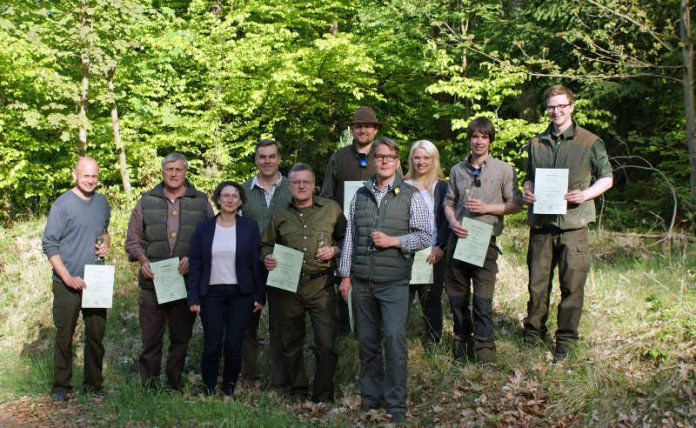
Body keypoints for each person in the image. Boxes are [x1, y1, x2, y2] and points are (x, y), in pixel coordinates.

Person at [338, 137, 431, 424]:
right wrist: (345, 275)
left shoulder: (410, 195)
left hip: (394, 283)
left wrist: (394, 241)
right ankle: (371, 398)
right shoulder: (361, 195)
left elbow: (426, 234)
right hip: (363, 282)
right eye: (380, 157)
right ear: (374, 161)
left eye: (390, 157)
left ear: (397, 161)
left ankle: (396, 403)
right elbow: (350, 237)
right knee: (367, 342)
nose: (385, 161)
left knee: (393, 340)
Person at [522, 85, 613, 362]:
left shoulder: (589, 141)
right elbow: (529, 177)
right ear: (547, 109)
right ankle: (532, 335)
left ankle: (566, 341)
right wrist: (527, 190)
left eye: (562, 105)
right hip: (541, 226)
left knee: (572, 286)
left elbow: (607, 178)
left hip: (574, 226)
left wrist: (584, 194)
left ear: (571, 107)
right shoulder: (536, 142)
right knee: (537, 285)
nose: (556, 111)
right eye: (551, 106)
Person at [125, 153, 214, 390]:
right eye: (169, 169)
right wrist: (143, 259)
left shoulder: (201, 201)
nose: (173, 174)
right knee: (151, 339)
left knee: (181, 338)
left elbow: (213, 239)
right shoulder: (146, 200)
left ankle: (174, 384)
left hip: (185, 283)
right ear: (162, 172)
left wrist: (194, 259)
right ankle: (150, 387)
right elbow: (132, 240)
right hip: (152, 283)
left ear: (185, 172)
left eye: (178, 169)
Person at [261, 163, 346, 402]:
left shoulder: (331, 209)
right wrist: (267, 257)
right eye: (296, 182)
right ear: (289, 186)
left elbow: (346, 236)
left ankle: (322, 394)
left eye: (305, 182)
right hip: (288, 286)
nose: (301, 186)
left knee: (326, 343)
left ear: (313, 185)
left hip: (322, 285)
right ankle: (297, 391)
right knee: (290, 343)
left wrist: (335, 250)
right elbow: (266, 244)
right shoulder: (280, 215)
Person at [443, 118, 522, 364]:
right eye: (474, 136)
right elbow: (448, 202)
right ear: (469, 139)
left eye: (484, 137)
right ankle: (461, 342)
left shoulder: (503, 169)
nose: (479, 141)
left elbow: (516, 204)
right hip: (459, 239)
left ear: (490, 140)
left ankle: (485, 351)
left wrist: (488, 207)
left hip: (485, 241)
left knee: (483, 299)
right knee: (457, 297)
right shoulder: (457, 170)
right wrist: (453, 223)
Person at [42, 157, 111, 401]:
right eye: (86, 176)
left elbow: (104, 233)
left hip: (96, 282)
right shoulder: (62, 204)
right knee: (64, 335)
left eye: (94, 176)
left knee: (96, 336)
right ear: (75, 175)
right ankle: (61, 386)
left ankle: (94, 385)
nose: (90, 180)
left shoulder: (102, 202)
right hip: (66, 283)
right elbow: (49, 245)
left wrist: (105, 245)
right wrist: (68, 277)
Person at [187, 181, 265, 396]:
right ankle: (209, 389)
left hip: (241, 294)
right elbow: (196, 263)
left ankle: (229, 389)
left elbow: (255, 264)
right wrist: (193, 296)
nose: (230, 199)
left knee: (234, 345)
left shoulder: (249, 226)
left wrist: (259, 295)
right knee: (212, 345)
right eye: (225, 195)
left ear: (240, 201)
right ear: (218, 199)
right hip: (211, 294)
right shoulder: (204, 227)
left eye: (234, 196)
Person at [320, 106, 382, 335]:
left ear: (375, 130)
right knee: (343, 293)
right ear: (352, 129)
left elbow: (399, 192)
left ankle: (373, 336)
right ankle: (345, 341)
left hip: (377, 237)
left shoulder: (385, 156)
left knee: (373, 292)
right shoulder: (339, 157)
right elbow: (326, 197)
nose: (363, 130)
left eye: (367, 126)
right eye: (358, 126)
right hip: (343, 235)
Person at [240, 138, 292, 388]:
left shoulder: (293, 188)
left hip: (284, 266)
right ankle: (250, 375)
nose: (267, 161)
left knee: (282, 325)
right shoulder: (243, 190)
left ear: (279, 159)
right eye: (262, 156)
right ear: (256, 160)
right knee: (247, 323)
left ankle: (280, 379)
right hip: (251, 266)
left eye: (272, 156)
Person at [403, 140, 449, 348]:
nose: (421, 162)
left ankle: (432, 340)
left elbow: (447, 220)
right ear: (411, 159)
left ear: (434, 160)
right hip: (404, 252)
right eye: (417, 157)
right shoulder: (400, 187)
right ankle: (397, 339)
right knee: (401, 298)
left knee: (430, 298)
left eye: (426, 158)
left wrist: (441, 246)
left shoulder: (441, 187)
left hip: (431, 252)